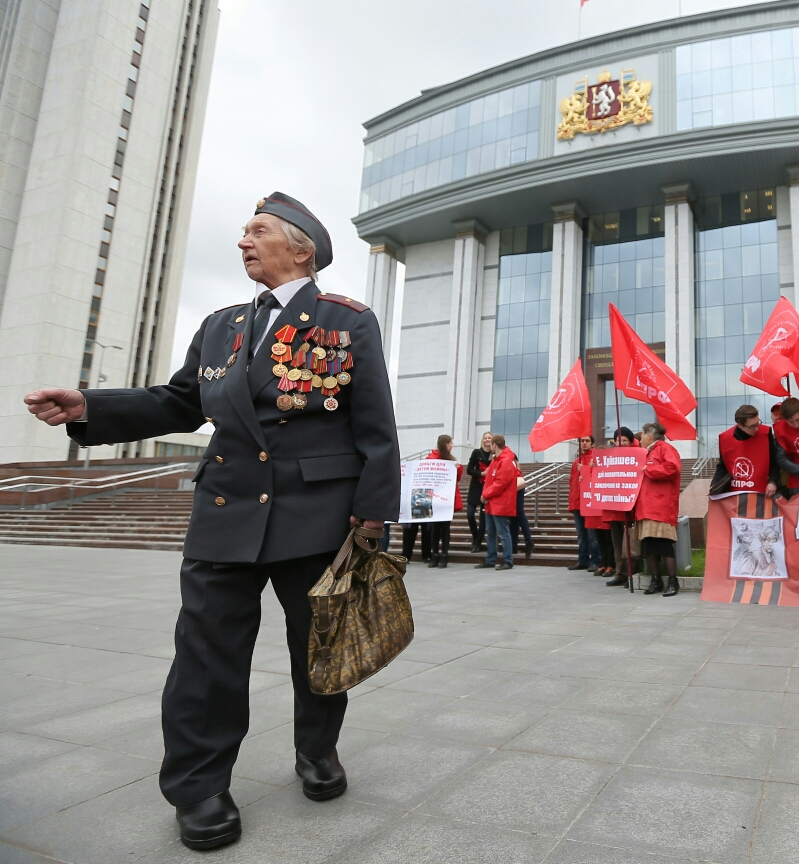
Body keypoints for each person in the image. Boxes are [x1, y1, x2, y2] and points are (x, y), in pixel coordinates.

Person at [23, 193, 399, 849]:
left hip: (317, 519)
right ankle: (199, 787)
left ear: (301, 246)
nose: (242, 242)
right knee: (204, 662)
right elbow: (177, 403)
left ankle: (317, 749)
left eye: (257, 231)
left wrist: (371, 523)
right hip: (225, 514)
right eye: (243, 231)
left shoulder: (347, 320)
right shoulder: (222, 324)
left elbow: (376, 429)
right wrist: (89, 405)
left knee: (319, 653)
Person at [636, 421, 683, 596]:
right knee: (648, 545)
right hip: (646, 506)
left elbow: (672, 468)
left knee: (663, 544)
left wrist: (649, 468)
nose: (639, 440)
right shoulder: (647, 451)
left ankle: (672, 580)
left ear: (649, 436)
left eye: (641, 436)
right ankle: (656, 580)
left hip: (660, 506)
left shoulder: (665, 449)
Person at [712, 405, 778, 497]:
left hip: (762, 493)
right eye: (752, 426)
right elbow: (722, 467)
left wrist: (773, 482)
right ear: (740, 425)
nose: (757, 428)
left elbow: (774, 462)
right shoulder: (725, 438)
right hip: (736, 494)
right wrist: (714, 486)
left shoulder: (765, 433)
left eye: (757, 423)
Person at [477, 433, 519, 571]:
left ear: (495, 445)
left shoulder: (505, 460)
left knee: (502, 532)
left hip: (499, 502)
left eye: (491, 444)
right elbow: (492, 481)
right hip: (492, 502)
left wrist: (485, 494)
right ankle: (491, 558)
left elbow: (501, 483)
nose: (489, 446)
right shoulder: (497, 459)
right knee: (492, 532)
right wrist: (486, 495)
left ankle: (507, 560)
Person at [607, 426, 641, 584]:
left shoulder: (638, 455)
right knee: (617, 541)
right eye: (618, 440)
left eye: (625, 441)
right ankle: (620, 572)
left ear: (631, 441)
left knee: (630, 542)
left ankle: (631, 572)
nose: (621, 443)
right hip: (612, 506)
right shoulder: (608, 457)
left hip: (629, 506)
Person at [427, 434, 464, 569]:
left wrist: (458, 469)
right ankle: (435, 554)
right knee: (435, 529)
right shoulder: (431, 459)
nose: (451, 446)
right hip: (435, 499)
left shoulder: (450, 461)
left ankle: (444, 555)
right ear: (444, 444)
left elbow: (457, 479)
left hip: (446, 499)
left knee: (445, 528)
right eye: (450, 443)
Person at [567, 435, 601, 572]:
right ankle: (583, 560)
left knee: (592, 534)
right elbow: (572, 483)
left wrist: (586, 469)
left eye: (587, 441)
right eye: (582, 441)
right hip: (577, 502)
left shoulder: (595, 459)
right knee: (581, 534)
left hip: (589, 502)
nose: (584, 443)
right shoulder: (576, 462)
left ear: (592, 443)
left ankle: (595, 560)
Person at [465, 433, 494, 553]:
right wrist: (481, 474)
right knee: (470, 514)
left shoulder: (494, 454)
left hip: (488, 488)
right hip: (476, 487)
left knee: (483, 518)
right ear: (483, 440)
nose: (487, 440)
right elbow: (469, 469)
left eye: (489, 438)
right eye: (485, 438)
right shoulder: (476, 452)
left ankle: (477, 543)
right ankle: (475, 536)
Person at [511, 470, 534, 560]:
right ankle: (514, 544)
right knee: (514, 515)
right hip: (514, 483)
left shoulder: (509, 459)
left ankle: (528, 541)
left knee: (519, 513)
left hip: (516, 483)